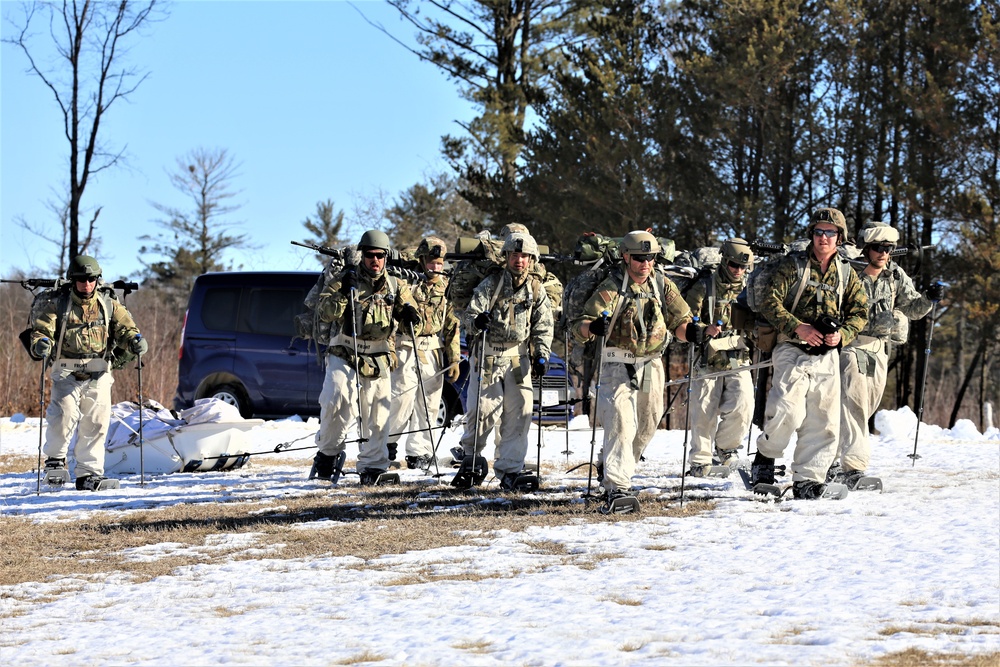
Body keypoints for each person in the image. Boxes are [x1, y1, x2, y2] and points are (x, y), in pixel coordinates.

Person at [573, 231, 697, 510]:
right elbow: (580, 325)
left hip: (651, 364)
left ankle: (611, 465)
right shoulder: (611, 286)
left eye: (650, 257)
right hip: (616, 363)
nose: (646, 263)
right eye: (640, 258)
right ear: (626, 256)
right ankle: (616, 487)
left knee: (647, 425)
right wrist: (592, 328)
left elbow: (680, 321)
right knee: (620, 422)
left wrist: (693, 332)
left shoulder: (662, 284)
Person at [751, 208, 868, 499]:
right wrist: (797, 327)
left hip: (826, 355)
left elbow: (860, 311)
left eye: (830, 232)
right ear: (811, 234)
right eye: (819, 231)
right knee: (788, 410)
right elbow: (769, 301)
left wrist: (843, 335)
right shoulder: (793, 266)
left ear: (839, 237)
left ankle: (808, 478)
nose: (823, 238)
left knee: (824, 419)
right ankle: (765, 457)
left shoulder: (846, 273)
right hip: (791, 348)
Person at [28, 255, 147, 491]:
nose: (87, 284)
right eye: (81, 279)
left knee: (96, 422)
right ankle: (55, 461)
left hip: (99, 371)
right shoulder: (59, 304)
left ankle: (89, 474)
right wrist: (41, 342)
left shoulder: (108, 304)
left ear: (97, 279)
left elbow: (126, 328)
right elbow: (42, 329)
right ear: (73, 280)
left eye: (91, 279)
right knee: (62, 415)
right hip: (66, 371)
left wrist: (135, 340)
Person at [311, 230, 421, 485]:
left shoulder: (396, 285)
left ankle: (373, 465)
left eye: (380, 256)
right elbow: (324, 313)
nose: (375, 261)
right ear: (362, 255)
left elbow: (410, 310)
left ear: (386, 257)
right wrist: (342, 292)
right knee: (336, 400)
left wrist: (410, 314)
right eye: (370, 255)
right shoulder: (342, 280)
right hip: (344, 351)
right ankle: (327, 454)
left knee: (379, 413)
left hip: (378, 354)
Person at [833, 221, 937, 487]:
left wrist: (929, 298)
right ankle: (852, 467)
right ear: (867, 249)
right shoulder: (848, 273)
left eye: (888, 248)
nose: (883, 253)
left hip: (880, 348)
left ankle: (831, 459)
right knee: (854, 401)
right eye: (878, 248)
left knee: (867, 404)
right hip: (852, 345)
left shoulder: (894, 274)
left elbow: (912, 308)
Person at [454, 231, 553, 491]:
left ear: (532, 260)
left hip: (519, 358)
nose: (519, 260)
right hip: (488, 355)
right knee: (483, 410)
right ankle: (471, 458)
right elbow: (470, 314)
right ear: (507, 256)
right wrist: (476, 322)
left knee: (520, 413)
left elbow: (543, 325)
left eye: (525, 256)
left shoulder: (535, 289)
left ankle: (510, 469)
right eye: (515, 255)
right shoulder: (491, 284)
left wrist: (541, 354)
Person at [385, 236, 461, 471]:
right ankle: (386, 445)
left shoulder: (445, 285)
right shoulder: (406, 280)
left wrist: (454, 356)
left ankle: (421, 452)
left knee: (429, 402)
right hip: (406, 345)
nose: (435, 268)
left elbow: (451, 323)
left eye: (439, 263)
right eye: (431, 262)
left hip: (432, 349)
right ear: (421, 260)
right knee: (401, 399)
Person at [684, 239, 755, 475]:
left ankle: (726, 449)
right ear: (724, 260)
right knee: (703, 410)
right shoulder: (704, 286)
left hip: (737, 355)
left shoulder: (749, 287)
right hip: (706, 357)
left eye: (743, 267)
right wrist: (704, 329)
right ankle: (700, 461)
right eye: (734, 265)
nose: (738, 270)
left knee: (744, 403)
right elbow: (686, 319)